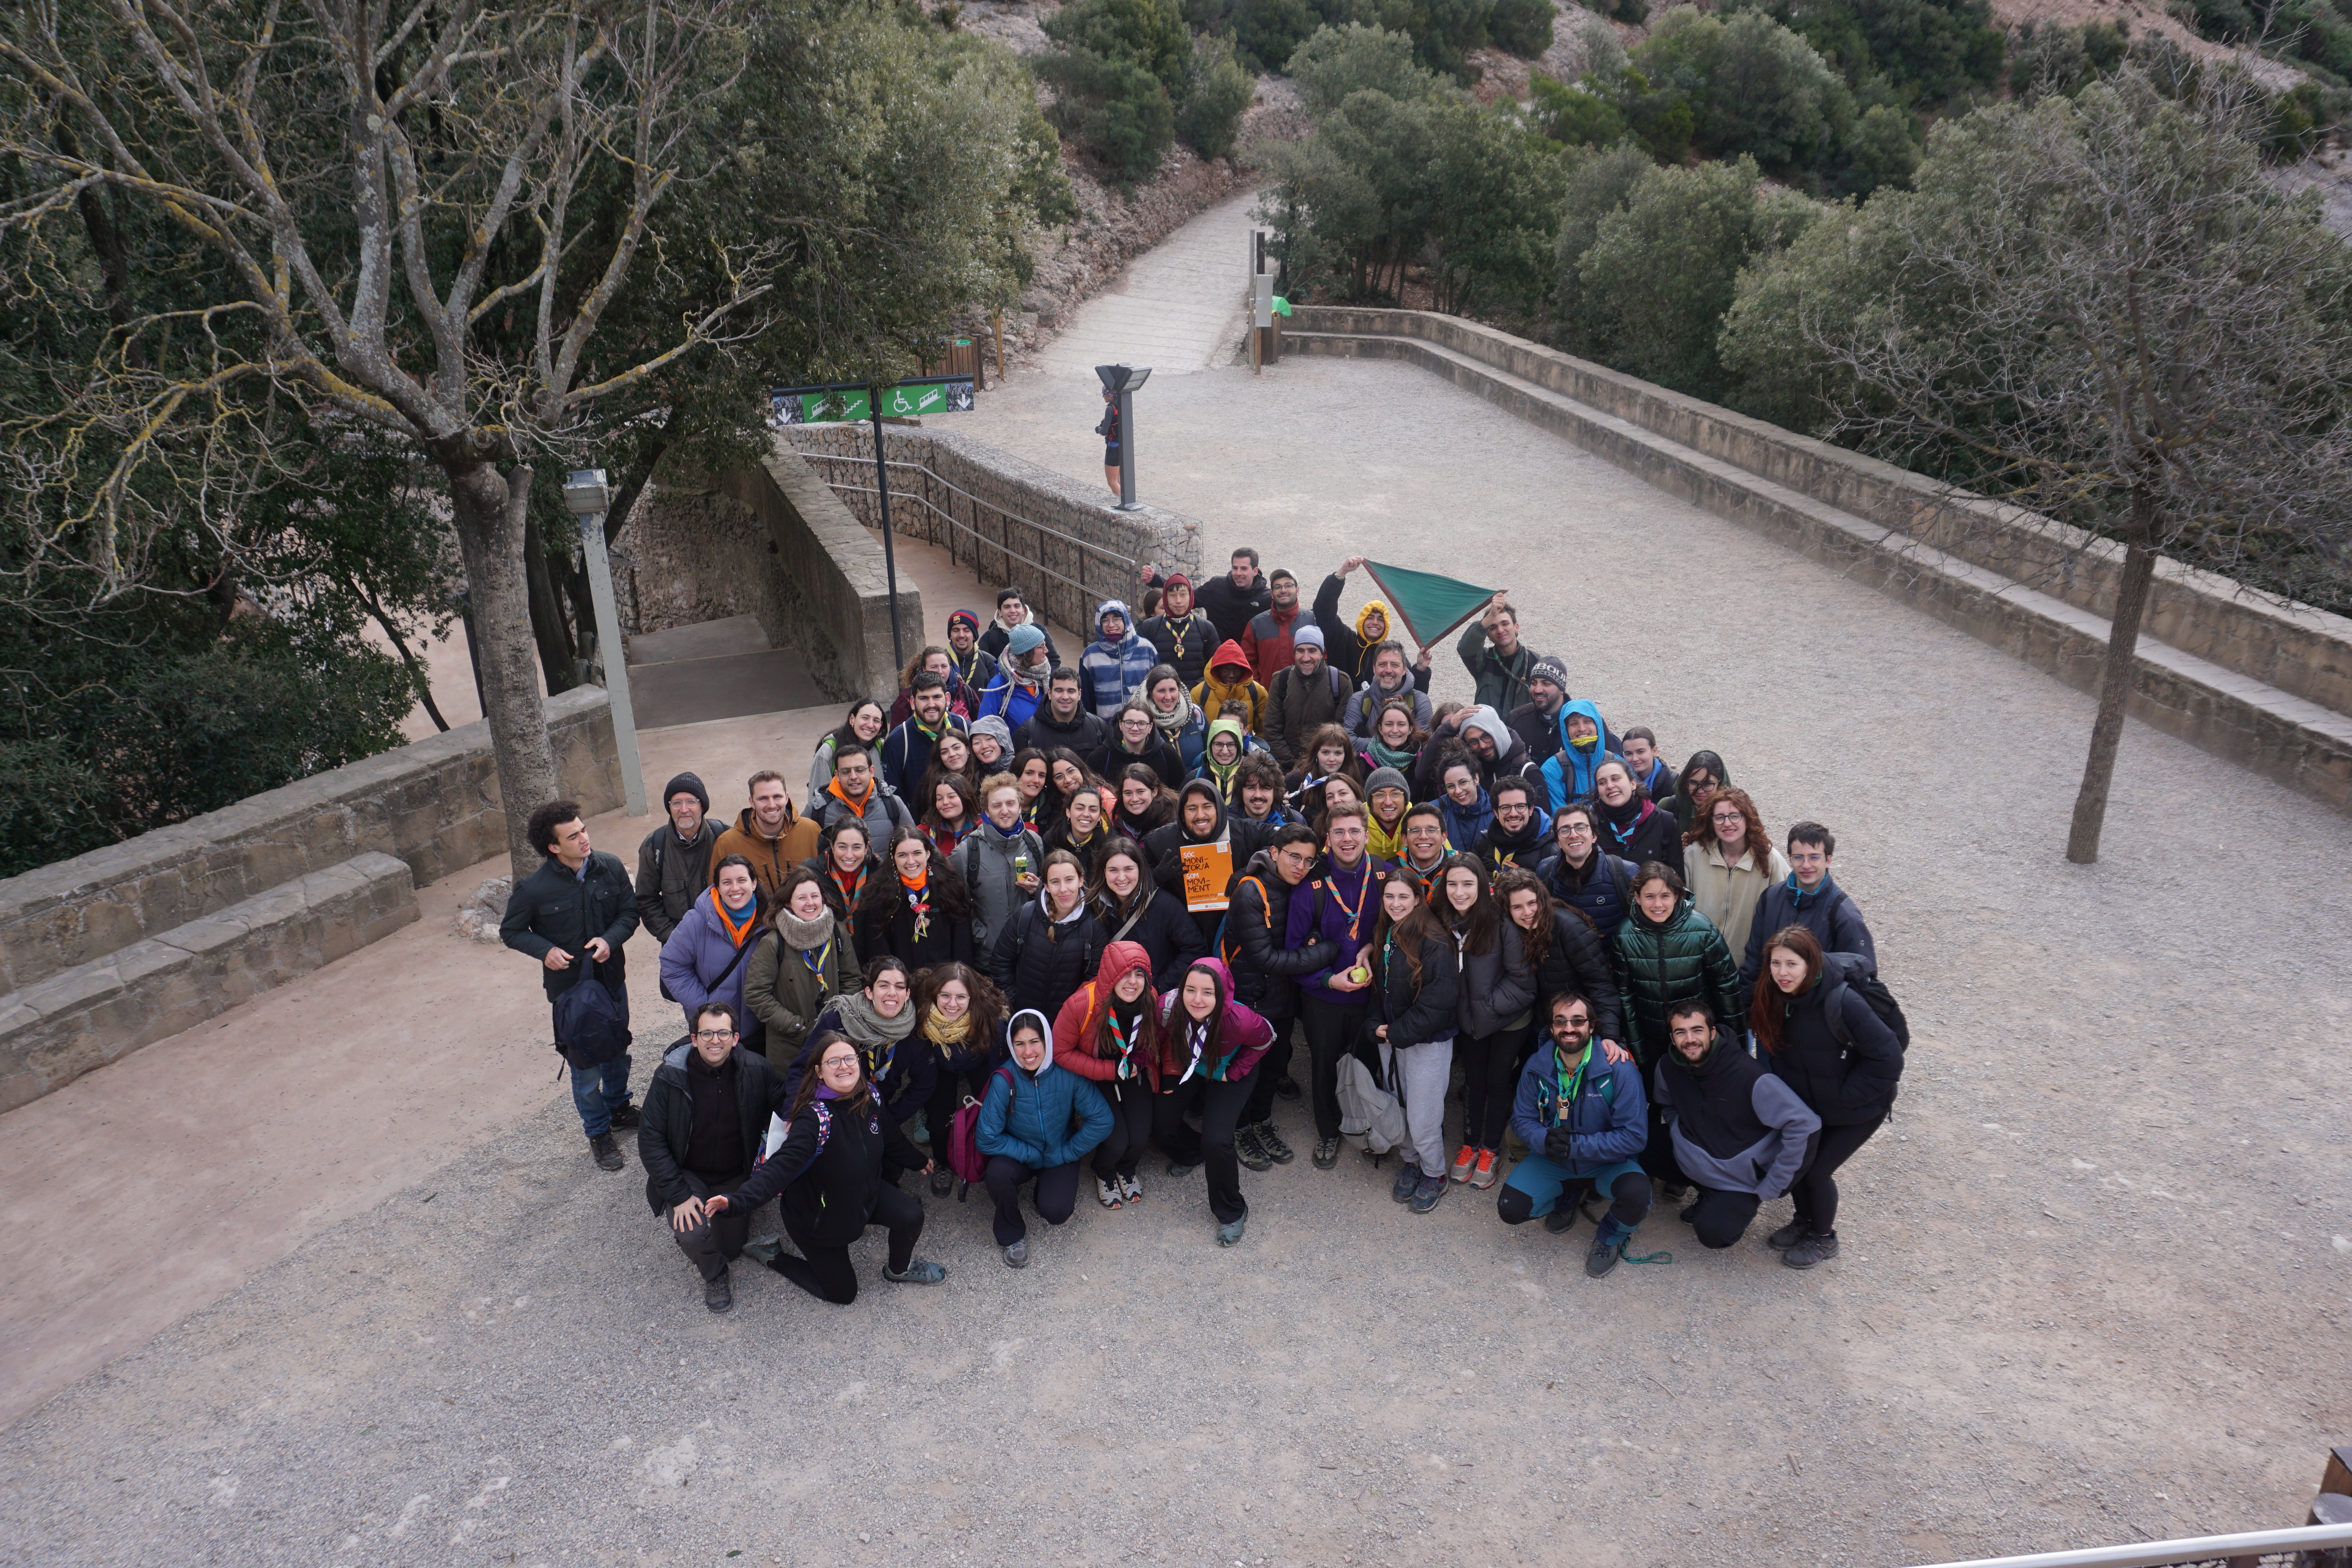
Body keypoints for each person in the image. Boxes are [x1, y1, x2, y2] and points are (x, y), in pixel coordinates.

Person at [711, 1031, 946, 1302]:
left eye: (849, 1058)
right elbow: (780, 1169)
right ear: (818, 1072)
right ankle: (774, 1256)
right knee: (844, 1294)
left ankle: (898, 1270)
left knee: (911, 1215)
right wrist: (736, 1201)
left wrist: (918, 1161)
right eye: (833, 1062)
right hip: (819, 1219)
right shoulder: (814, 1120)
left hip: (863, 1198)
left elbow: (889, 1135)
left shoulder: (869, 1095)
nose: (844, 1066)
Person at [501, 801, 642, 1171]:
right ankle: (598, 1132)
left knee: (617, 1050)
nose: (584, 838)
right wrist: (544, 950)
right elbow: (511, 931)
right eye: (573, 835)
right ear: (553, 847)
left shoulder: (610, 867)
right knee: (584, 1071)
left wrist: (610, 939)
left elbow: (630, 913)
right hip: (571, 995)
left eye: (583, 829)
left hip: (611, 982)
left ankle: (619, 1109)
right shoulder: (532, 889)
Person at [1751, 925, 1902, 1269]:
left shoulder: (1843, 1001)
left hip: (1858, 1108)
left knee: (1818, 1171)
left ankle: (1823, 1238)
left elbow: (1889, 1058)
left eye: (1792, 964)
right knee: (1802, 1166)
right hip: (1813, 1105)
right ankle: (1805, 1221)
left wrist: (1846, 1098)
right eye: (1776, 964)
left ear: (1811, 963)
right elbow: (1773, 1049)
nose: (1782, 973)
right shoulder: (1776, 997)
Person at [637, 1003, 792, 1313]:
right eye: (706, 1033)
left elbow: (783, 1103)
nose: (715, 1041)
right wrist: (679, 1195)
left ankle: (725, 1245)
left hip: (735, 1173)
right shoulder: (669, 1078)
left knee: (731, 1248)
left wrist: (793, 1120)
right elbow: (650, 1139)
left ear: (736, 1038)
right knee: (693, 1235)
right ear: (694, 1039)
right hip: (688, 1173)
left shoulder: (756, 1069)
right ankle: (715, 1274)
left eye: (723, 1033)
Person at [1497, 991, 1653, 1279]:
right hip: (1554, 1159)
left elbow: (1633, 1137)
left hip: (1607, 1162)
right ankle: (1569, 1195)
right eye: (1561, 1022)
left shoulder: (1619, 1069)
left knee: (1637, 1195)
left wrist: (1575, 1147)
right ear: (1552, 1028)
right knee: (1511, 1209)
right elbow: (1522, 1119)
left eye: (1578, 1021)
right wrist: (1543, 1140)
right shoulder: (1536, 1065)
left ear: (1592, 1027)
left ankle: (1610, 1237)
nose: (1569, 1028)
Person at [1616, 862, 1745, 1191]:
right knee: (1653, 1102)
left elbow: (1727, 987)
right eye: (1649, 897)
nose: (1658, 904)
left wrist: (1736, 1045)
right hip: (1651, 1037)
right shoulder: (1624, 935)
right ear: (1637, 897)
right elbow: (1625, 997)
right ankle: (1651, 1164)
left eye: (1665, 896)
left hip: (1694, 1041)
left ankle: (1690, 1171)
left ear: (1678, 896)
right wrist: (1639, 1048)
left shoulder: (1702, 930)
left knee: (1694, 1105)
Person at [1652, 1001, 1819, 1252]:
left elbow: (1805, 1124)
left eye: (1697, 1030)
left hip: (1737, 1178)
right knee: (1638, 1140)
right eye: (1680, 1032)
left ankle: (1725, 1201)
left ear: (1712, 1032)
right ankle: (1706, 1191)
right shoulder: (1667, 1066)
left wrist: (1774, 1185)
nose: (1690, 1039)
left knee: (1713, 1234)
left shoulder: (1749, 1076)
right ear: (1672, 1038)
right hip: (1694, 1155)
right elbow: (1668, 1104)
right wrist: (1679, 1131)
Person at [1221, 825, 1338, 1145]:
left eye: (1309, 861)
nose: (1301, 866)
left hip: (1283, 997)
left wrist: (1313, 934)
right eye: (1294, 857)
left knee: (1273, 1067)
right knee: (1248, 1071)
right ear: (1274, 853)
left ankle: (1261, 1122)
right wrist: (1325, 951)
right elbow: (1266, 959)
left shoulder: (1299, 885)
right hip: (1253, 998)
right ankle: (1241, 1130)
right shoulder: (1250, 892)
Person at [1153, 958, 1277, 1246]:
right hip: (1190, 1061)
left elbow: (1266, 1040)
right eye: (1191, 990)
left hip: (1228, 1066)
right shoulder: (1168, 1007)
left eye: (1208, 992)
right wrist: (1169, 1074)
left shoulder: (1241, 1020)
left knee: (1218, 1140)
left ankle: (1232, 1212)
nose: (1197, 1000)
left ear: (1222, 994)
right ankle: (1191, 1154)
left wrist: (1233, 1073)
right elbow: (1161, 1039)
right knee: (1161, 1118)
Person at [977, 1007, 1113, 1265]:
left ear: (1046, 1041)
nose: (1028, 1053)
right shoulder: (1004, 1078)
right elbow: (986, 1137)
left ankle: (1045, 1189)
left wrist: (1067, 1152)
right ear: (1011, 1045)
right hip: (1021, 1153)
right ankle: (1011, 1234)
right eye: (1019, 1044)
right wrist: (1029, 1154)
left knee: (1057, 1212)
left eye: (1034, 1042)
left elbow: (1102, 1120)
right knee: (997, 1174)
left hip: (1057, 1152)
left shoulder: (1067, 1071)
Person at [1363, 868, 1459, 1214]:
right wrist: (1376, 1022)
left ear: (1418, 900)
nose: (1395, 903)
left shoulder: (1434, 940)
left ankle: (1435, 1173)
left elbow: (1440, 998)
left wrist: (1398, 1033)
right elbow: (1381, 985)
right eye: (1389, 896)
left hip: (1426, 1042)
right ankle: (1411, 1161)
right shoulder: (1389, 931)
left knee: (1423, 1113)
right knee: (1398, 1102)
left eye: (1404, 897)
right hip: (1393, 1037)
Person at [1438, 855, 1535, 1192]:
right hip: (1470, 1020)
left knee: (1497, 1082)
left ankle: (1491, 1148)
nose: (1460, 892)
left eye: (1468, 884)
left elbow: (1523, 983)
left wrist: (1486, 1009)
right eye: (1452, 884)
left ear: (1482, 886)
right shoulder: (1443, 920)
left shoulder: (1501, 923)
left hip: (1507, 1020)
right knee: (1473, 1081)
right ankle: (1469, 1143)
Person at [1049, 942, 1163, 1210]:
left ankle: (1127, 1168)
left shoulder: (1151, 998)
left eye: (1140, 975)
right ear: (1110, 975)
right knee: (1116, 1140)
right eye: (1125, 974)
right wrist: (1109, 1071)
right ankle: (1105, 1172)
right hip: (1095, 1075)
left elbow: (1156, 1037)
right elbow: (1060, 1052)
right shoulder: (1081, 1004)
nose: (1133, 983)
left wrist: (1140, 1059)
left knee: (1139, 1137)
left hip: (1130, 1071)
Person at [1737, 820, 1878, 996]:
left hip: (1815, 1015)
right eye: (1799, 857)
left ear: (1828, 860)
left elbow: (1861, 975)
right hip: (1771, 1011)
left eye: (1814, 857)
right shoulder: (1770, 899)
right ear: (1790, 859)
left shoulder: (1844, 914)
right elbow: (1754, 961)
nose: (1806, 865)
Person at [1494, 867, 1625, 1054]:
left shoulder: (1569, 928)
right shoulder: (1514, 932)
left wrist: (1610, 1036)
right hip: (1542, 1024)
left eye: (1533, 903)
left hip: (1577, 1025)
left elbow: (1602, 986)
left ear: (1543, 900)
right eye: (1517, 907)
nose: (1528, 912)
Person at [911, 962, 1011, 1196]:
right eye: (945, 996)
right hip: (939, 1064)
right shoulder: (921, 1015)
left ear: (972, 997)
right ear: (934, 995)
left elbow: (998, 1065)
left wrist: (993, 1096)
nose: (952, 1004)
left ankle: (986, 1154)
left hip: (978, 1059)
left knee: (988, 1109)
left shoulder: (990, 1019)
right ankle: (943, 1163)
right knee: (939, 1120)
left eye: (961, 997)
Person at [802, 955, 926, 1134]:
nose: (892, 993)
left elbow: (924, 1084)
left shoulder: (914, 1028)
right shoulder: (842, 1017)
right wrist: (792, 1114)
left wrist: (888, 1120)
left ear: (907, 994)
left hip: (879, 1113)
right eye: (884, 985)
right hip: (835, 1111)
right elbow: (802, 1068)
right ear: (869, 992)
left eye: (899, 987)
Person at [660, 853, 768, 1054]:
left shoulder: (770, 921)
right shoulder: (696, 921)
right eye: (727, 882)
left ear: (754, 883)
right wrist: (705, 1009)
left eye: (742, 880)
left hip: (759, 1027)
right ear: (717, 887)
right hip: (713, 1032)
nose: (735, 889)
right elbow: (672, 966)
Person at [744, 866, 843, 1073]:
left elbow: (852, 978)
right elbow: (756, 995)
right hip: (789, 1048)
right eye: (802, 898)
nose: (810, 903)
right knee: (793, 1102)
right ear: (789, 902)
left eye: (815, 896)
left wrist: (840, 1017)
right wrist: (797, 1027)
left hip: (833, 1038)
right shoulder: (773, 943)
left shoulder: (837, 932)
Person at [989, 849, 1107, 1022]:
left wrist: (1073, 1017)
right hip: (1023, 1019)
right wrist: (1015, 1004)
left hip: (1068, 1024)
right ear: (1046, 886)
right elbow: (1001, 962)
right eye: (1055, 882)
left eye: (1069, 880)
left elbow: (1094, 981)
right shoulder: (1026, 916)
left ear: (1081, 881)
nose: (1063, 889)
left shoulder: (1093, 927)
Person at [1683, 786, 1789, 964]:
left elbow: (1783, 918)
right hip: (1701, 962)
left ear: (1748, 820)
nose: (1727, 824)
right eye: (1720, 817)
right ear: (1711, 822)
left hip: (1749, 965)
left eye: (1735, 816)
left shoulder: (1771, 862)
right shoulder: (1694, 856)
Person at [853, 829, 977, 971]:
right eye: (902, 855)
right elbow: (878, 950)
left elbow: (963, 946)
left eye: (917, 853)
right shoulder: (879, 896)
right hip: (902, 987)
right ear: (893, 858)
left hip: (944, 985)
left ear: (928, 853)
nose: (911, 862)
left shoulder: (950, 888)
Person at [1093, 838, 1207, 989]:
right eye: (1113, 870)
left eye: (1128, 869)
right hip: (1111, 995)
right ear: (1104, 872)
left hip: (1152, 995)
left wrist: (1159, 985)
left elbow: (1195, 948)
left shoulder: (1165, 906)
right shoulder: (1094, 906)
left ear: (1141, 869)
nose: (1121, 878)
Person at [953, 774, 1045, 956]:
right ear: (986, 812)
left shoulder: (1035, 843)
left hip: (1031, 952)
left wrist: (1040, 890)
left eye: (1010, 804)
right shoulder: (965, 853)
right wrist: (981, 935)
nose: (1005, 811)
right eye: (997, 805)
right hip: (989, 955)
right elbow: (956, 907)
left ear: (1020, 807)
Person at [635, 772, 720, 945]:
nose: (684, 810)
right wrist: (673, 937)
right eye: (676, 803)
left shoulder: (723, 837)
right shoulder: (654, 846)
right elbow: (646, 900)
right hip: (677, 944)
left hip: (722, 939)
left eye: (691, 802)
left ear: (702, 806)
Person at [1314, 555, 1422, 688]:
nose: (1375, 622)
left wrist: (1422, 670)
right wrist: (1342, 573)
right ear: (1362, 620)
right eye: (1370, 618)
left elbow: (1413, 691)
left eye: (1381, 620)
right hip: (1341, 708)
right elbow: (1323, 610)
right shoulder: (1342, 639)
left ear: (1386, 626)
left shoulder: (1392, 653)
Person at [712, 769, 822, 900]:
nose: (771, 805)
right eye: (763, 799)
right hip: (754, 920)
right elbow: (716, 896)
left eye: (777, 797)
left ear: (787, 798)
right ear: (752, 802)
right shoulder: (727, 843)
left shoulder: (811, 831)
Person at [1539, 802, 1637, 941]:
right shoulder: (1546, 871)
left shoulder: (1625, 873)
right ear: (1558, 842)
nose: (1573, 835)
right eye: (1565, 830)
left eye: (1581, 828)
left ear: (1594, 836)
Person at [1263, 624, 1349, 768]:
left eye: (1312, 651)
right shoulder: (1281, 680)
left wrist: (1320, 763)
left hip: (1326, 768)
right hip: (1287, 769)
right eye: (1300, 651)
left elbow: (1342, 731)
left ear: (1322, 653)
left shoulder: (1340, 682)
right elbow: (1272, 729)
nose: (1306, 658)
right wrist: (1294, 765)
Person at [1411, 704, 1528, 806]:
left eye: (1459, 730)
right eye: (1449, 731)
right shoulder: (1444, 761)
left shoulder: (1523, 768)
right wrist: (1448, 728)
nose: (1454, 736)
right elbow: (1422, 774)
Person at [878, 671, 970, 797]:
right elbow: (895, 797)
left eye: (937, 697)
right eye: (924, 698)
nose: (931, 705)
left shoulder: (965, 728)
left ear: (948, 699)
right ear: (912, 702)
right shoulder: (899, 742)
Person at [812, 741, 916, 846]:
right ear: (837, 775)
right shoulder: (818, 810)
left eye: (860, 770)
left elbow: (913, 847)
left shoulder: (894, 806)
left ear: (872, 772)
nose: (853, 777)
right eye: (846, 772)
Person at [1591, 757, 1682, 868]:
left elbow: (1677, 879)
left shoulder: (1666, 822)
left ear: (1633, 784)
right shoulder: (1590, 826)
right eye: (1602, 783)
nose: (1610, 786)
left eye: (1616, 779)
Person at [1456, 592, 1535, 713]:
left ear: (1516, 627)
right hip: (1488, 731)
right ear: (1487, 635)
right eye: (1493, 627)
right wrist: (1491, 615)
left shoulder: (1536, 663)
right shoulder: (1484, 662)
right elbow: (1466, 648)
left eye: (1505, 624)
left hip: (1522, 732)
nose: (1500, 630)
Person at [1341, 641, 1434, 739]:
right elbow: (1349, 743)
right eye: (1382, 664)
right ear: (1374, 668)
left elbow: (1420, 744)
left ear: (1404, 670)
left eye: (1395, 665)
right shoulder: (1358, 701)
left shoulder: (1421, 702)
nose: (1388, 670)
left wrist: (1370, 742)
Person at [1537, 699, 1617, 812]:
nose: (1582, 729)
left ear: (1598, 725)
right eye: (1574, 724)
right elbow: (1557, 817)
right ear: (1566, 730)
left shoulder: (1619, 764)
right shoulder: (1552, 769)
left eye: (1588, 721)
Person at [1077, 601, 1155, 716]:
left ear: (1125, 621)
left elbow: (1157, 689)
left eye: (1116, 619)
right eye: (1105, 621)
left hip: (1141, 726)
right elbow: (1086, 700)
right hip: (1106, 727)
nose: (1111, 625)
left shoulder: (1146, 649)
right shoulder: (1090, 655)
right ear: (1099, 625)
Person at [1139, 573, 1217, 687]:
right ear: (1166, 598)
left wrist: (1197, 687)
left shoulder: (1206, 628)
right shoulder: (1149, 627)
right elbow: (1141, 666)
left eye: (1183, 594)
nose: (1179, 600)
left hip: (1196, 695)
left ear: (1191, 596)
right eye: (1173, 595)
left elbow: (1215, 667)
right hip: (1162, 696)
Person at [974, 624, 1052, 734]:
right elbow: (985, 729)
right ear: (1026, 653)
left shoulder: (1048, 675)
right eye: (1042, 646)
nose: (1047, 650)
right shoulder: (999, 686)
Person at [1241, 569, 1314, 685]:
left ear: (1298, 590)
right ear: (1272, 593)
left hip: (1308, 698)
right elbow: (1247, 663)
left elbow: (1324, 659)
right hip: (1269, 699)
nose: (1283, 590)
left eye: (1289, 586)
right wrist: (1259, 691)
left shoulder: (1313, 621)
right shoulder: (1256, 625)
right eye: (1278, 587)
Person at [1094, 700, 1186, 791]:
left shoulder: (1167, 754)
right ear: (1121, 725)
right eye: (1129, 723)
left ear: (1150, 727)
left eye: (1142, 724)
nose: (1135, 728)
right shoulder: (1102, 756)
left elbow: (1180, 793)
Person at [1017, 667, 1109, 757]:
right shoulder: (1028, 732)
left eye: (1071, 691)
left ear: (1080, 694)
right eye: (1059, 691)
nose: (1065, 697)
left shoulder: (1099, 728)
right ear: (1050, 693)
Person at [808, 700, 888, 801]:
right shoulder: (827, 752)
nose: (870, 725)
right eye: (865, 718)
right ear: (852, 720)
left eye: (876, 721)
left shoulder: (881, 747)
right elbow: (816, 800)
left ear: (881, 725)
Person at [1191, 547, 1273, 644]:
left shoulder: (1267, 598)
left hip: (1249, 657)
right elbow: (1186, 600)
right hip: (1216, 654)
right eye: (1235, 568)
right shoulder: (1216, 587)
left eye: (1244, 569)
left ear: (1255, 571)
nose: (1238, 573)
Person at [1284, 723, 1364, 822]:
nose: (1331, 759)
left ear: (1346, 755)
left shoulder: (1355, 778)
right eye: (1326, 752)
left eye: (1338, 753)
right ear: (1316, 753)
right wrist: (1301, 818)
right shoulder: (1296, 781)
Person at [1192, 639, 1270, 736]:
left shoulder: (1258, 692)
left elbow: (1264, 730)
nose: (1232, 675)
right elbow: (1193, 731)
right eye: (1226, 670)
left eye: (1237, 670)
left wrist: (1255, 749)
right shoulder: (1199, 693)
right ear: (1217, 670)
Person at [884, 646, 976, 728]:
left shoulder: (964, 691)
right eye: (934, 667)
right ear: (924, 669)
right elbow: (898, 736)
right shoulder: (907, 698)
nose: (940, 671)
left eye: (944, 666)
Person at [1506, 656, 1571, 772]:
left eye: (1546, 684)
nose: (1538, 690)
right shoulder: (1516, 719)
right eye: (1534, 683)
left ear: (1562, 689)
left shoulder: (1582, 722)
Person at [1140, 667, 1207, 776]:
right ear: (1151, 694)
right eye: (1161, 691)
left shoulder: (1195, 713)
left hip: (1195, 788)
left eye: (1172, 690)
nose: (1168, 697)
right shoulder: (1141, 721)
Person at [978, 586, 1060, 670]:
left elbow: (1055, 661)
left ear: (1024, 610)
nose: (1013, 611)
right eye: (1007, 607)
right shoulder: (990, 638)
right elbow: (983, 668)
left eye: (1017, 606)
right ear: (1000, 612)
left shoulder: (1039, 631)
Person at [1474, 776, 1546, 871]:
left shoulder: (1549, 848)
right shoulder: (1483, 844)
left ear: (1531, 809)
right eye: (1506, 808)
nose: (1513, 814)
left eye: (1520, 806)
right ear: (1496, 812)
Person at [805, 818, 873, 920]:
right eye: (842, 847)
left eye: (857, 847)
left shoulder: (879, 872)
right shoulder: (809, 873)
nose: (849, 855)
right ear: (832, 846)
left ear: (866, 848)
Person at [1042, 774, 1114, 863]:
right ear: (1068, 812)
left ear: (1100, 816)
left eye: (1093, 810)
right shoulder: (1051, 839)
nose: (1086, 814)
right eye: (1080, 808)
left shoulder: (1111, 843)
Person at [1434, 757, 1494, 856]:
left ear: (1476, 779)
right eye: (1451, 786)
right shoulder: (1435, 810)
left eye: (1463, 782)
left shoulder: (1497, 811)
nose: (1458, 791)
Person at [1231, 754, 1300, 832]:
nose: (1258, 795)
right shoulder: (1226, 824)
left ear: (1275, 791)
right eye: (1251, 788)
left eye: (1265, 788)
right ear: (1241, 791)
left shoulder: (1294, 820)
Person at [1360, 699, 1425, 781]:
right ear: (1380, 729)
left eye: (1401, 725)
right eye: (1389, 724)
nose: (1395, 730)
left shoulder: (1422, 759)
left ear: (1410, 729)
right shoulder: (1364, 759)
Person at [918, 772, 978, 861]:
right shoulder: (924, 832)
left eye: (951, 797)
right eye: (940, 799)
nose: (945, 802)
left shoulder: (981, 830)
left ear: (965, 798)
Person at [1112, 763, 1178, 841]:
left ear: (1154, 792)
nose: (1135, 799)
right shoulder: (1117, 822)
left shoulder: (1173, 823)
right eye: (1128, 793)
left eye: (1140, 792)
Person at [1670, 750, 1729, 836]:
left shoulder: (1735, 817)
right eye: (1694, 783)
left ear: (1720, 784)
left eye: (1708, 784)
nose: (1700, 791)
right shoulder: (1669, 807)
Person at [1361, 764, 1412, 862]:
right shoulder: (1355, 824)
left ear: (1405, 800)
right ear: (1370, 802)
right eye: (1380, 795)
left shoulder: (1421, 823)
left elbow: (1448, 857)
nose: (1388, 802)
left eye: (1396, 794)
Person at [1194, 714, 1250, 801]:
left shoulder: (1252, 775)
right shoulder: (1196, 777)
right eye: (1219, 744)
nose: (1225, 751)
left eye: (1231, 745)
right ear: (1210, 746)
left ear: (1239, 747)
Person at [943, 608, 999, 696]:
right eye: (956, 630)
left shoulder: (989, 662)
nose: (961, 635)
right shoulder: (940, 662)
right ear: (950, 635)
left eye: (967, 631)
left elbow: (998, 696)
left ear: (974, 636)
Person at [1397, 802, 1450, 881]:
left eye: (1431, 830)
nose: (1423, 836)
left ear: (1444, 838)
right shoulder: (1391, 869)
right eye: (1415, 831)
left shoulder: (1461, 869)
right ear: (1405, 839)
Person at [1620, 727, 1674, 802]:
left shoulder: (1672, 783)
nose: (1635, 759)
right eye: (1629, 754)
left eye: (1641, 752)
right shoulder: (1620, 782)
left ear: (1654, 751)